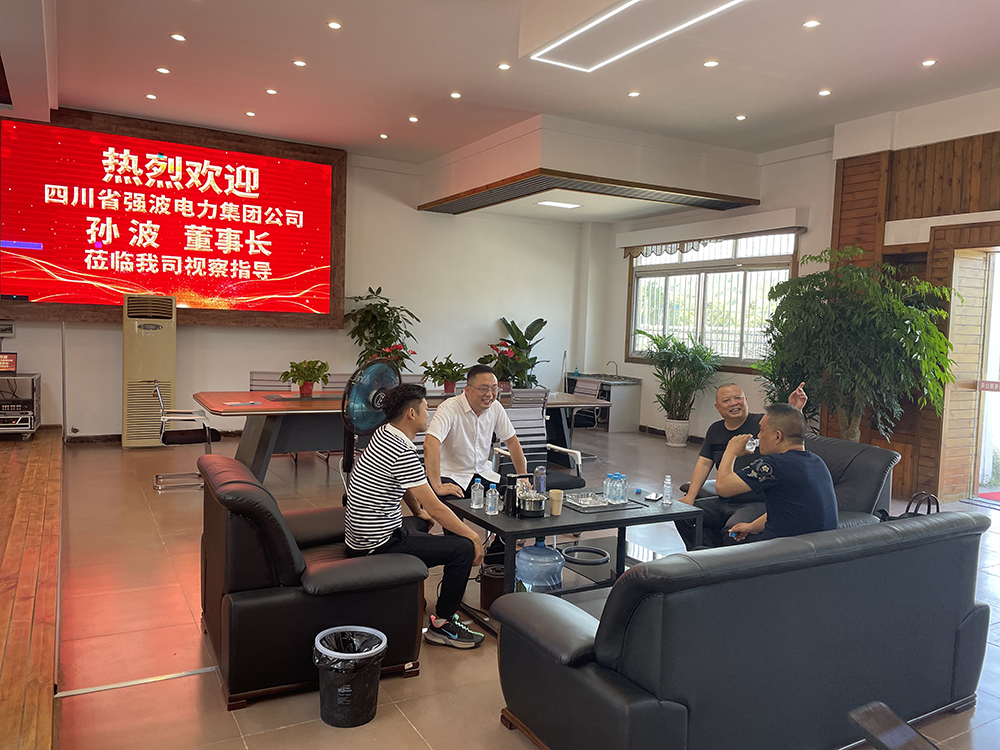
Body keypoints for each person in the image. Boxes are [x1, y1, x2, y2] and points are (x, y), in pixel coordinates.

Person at [344, 382, 486, 649]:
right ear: (412, 413)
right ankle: (442, 624)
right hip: (378, 544)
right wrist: (474, 537)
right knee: (463, 549)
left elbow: (405, 485)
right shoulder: (401, 449)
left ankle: (410, 595)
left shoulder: (385, 433)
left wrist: (418, 512)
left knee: (422, 521)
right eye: (425, 408)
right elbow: (437, 508)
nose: (428, 413)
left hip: (363, 536)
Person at [675, 381, 808, 549]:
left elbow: (789, 437)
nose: (734, 403)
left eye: (738, 398)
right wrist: (690, 496)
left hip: (756, 501)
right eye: (727, 400)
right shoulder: (715, 430)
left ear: (745, 400)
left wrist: (795, 409)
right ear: (717, 407)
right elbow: (704, 463)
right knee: (682, 513)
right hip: (725, 500)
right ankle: (703, 555)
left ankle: (721, 561)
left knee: (733, 531)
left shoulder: (763, 424)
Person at [716, 402, 839, 542]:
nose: (758, 435)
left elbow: (723, 487)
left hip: (784, 550)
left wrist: (731, 452)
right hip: (819, 548)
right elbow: (786, 511)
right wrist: (751, 527)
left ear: (777, 436)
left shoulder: (774, 464)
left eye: (762, 430)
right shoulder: (817, 461)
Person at [424, 364, 529, 499]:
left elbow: (512, 442)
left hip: (483, 474)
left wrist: (522, 476)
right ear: (467, 390)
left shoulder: (495, 407)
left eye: (494, 388)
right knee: (453, 505)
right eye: (484, 389)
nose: (489, 394)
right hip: (451, 476)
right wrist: (438, 486)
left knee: (516, 495)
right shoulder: (449, 408)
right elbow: (430, 444)